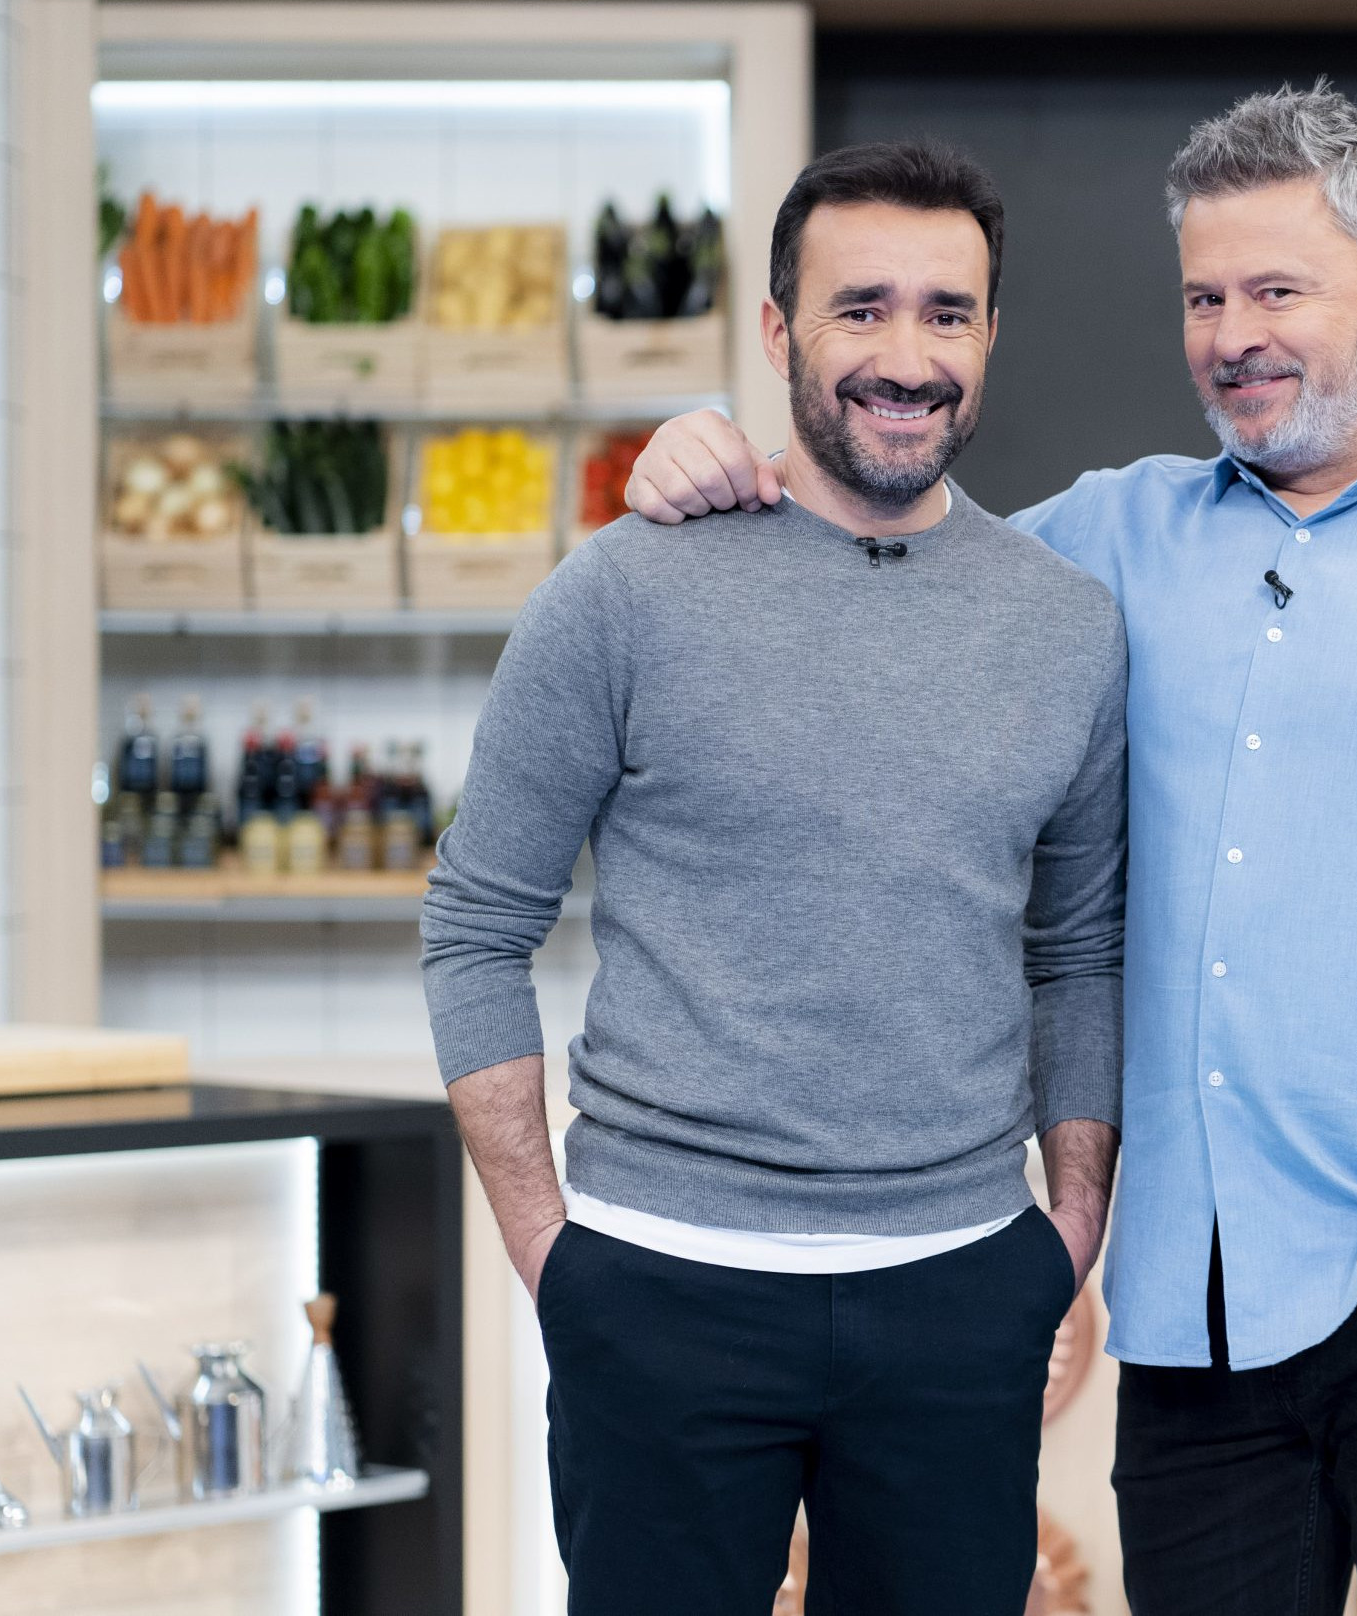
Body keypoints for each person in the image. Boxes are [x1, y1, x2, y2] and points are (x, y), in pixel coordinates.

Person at [625, 85, 1357, 1616]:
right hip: (1196, 1315)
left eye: (1277, 288)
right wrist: (722, 468)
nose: (1234, 333)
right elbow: (878, 558)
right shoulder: (1107, 542)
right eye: (1205, 296)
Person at [421, 140, 1126, 1616]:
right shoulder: (623, 592)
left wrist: (1062, 1241)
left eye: (948, 312)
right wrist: (557, 1259)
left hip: (957, 1291)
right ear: (776, 331)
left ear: (991, 336)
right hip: (659, 1291)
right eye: (859, 308)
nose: (905, 353)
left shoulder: (1065, 628)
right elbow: (476, 927)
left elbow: (1078, 952)